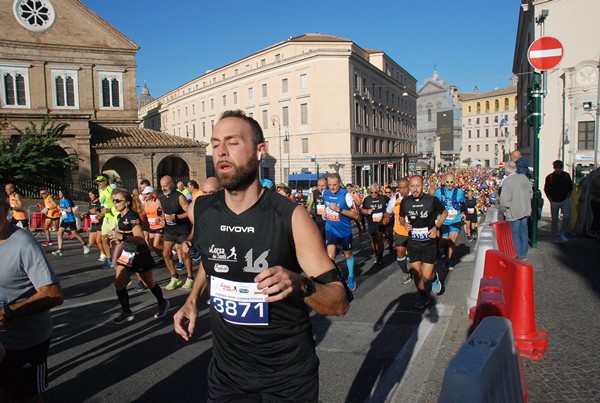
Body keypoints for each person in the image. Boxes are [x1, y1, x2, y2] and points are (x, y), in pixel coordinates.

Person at [173, 110, 349, 402]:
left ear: (260, 151)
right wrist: (192, 300)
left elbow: (339, 303)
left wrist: (300, 284)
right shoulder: (202, 210)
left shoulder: (291, 217)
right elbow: (211, 261)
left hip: (288, 378)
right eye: (215, 143)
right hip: (227, 377)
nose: (221, 151)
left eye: (232, 142)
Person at [0, 187, 64, 402]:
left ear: (5, 208)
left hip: (23, 341)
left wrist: (9, 311)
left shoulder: (24, 245)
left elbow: (53, 294)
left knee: (26, 395)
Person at [107, 188, 169, 324]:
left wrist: (122, 237)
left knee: (149, 282)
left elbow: (140, 239)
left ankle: (162, 302)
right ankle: (126, 312)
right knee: (118, 283)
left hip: (140, 254)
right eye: (113, 201)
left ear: (127, 202)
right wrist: (116, 236)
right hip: (127, 254)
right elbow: (123, 234)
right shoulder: (120, 216)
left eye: (118, 201)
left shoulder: (132, 217)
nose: (115, 203)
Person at [398, 176, 448, 309]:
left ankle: (434, 278)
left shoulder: (431, 200)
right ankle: (422, 295)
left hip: (429, 243)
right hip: (413, 242)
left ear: (423, 186)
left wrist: (436, 227)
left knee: (426, 275)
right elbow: (401, 217)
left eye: (418, 186)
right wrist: (405, 224)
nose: (415, 189)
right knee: (416, 272)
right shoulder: (406, 201)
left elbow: (444, 213)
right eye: (412, 186)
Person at [323, 173, 360, 290]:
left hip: (344, 231)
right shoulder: (325, 193)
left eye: (335, 185)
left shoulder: (346, 195)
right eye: (330, 185)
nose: (332, 188)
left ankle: (351, 276)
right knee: (330, 256)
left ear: (339, 183)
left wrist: (339, 209)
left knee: (347, 254)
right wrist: (325, 213)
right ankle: (335, 278)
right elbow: (326, 207)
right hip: (330, 229)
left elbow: (356, 215)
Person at [158, 176, 194, 290]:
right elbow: (163, 212)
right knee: (166, 254)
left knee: (185, 254)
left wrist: (176, 217)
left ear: (172, 185)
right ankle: (175, 277)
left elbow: (189, 212)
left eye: (166, 186)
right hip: (170, 230)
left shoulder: (179, 197)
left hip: (182, 230)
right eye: (162, 186)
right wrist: (162, 219)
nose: (163, 188)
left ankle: (190, 277)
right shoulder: (161, 198)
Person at [499, 161, 533, 260]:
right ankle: (524, 252)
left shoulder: (507, 181)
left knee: (515, 233)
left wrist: (503, 209)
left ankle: (518, 255)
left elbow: (504, 199)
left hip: (513, 210)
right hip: (525, 208)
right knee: (524, 231)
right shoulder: (524, 178)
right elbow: (530, 193)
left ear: (506, 171)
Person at [434, 173, 466, 270]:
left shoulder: (459, 192)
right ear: (444, 182)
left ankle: (448, 261)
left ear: (454, 181)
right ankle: (441, 252)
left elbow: (463, 203)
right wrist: (436, 217)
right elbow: (434, 204)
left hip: (455, 219)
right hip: (443, 220)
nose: (449, 184)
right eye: (447, 182)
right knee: (444, 241)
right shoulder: (439, 192)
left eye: (451, 182)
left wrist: (464, 212)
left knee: (452, 240)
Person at [384, 178, 412, 284]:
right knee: (400, 252)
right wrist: (385, 219)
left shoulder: (414, 196)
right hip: (400, 231)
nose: (403, 190)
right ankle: (406, 273)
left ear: (408, 186)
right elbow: (387, 213)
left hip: (413, 231)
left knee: (415, 255)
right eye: (401, 188)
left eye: (405, 187)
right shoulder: (394, 199)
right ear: (398, 188)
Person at [51, 188, 90, 257]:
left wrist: (61, 209)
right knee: (59, 233)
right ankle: (60, 250)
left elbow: (69, 210)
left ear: (63, 193)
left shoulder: (67, 200)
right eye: (58, 193)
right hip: (64, 219)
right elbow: (63, 210)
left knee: (75, 233)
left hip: (70, 219)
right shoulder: (61, 200)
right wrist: (61, 212)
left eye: (60, 193)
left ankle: (85, 244)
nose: (59, 194)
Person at [543, 160, 573, 242]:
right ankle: (555, 236)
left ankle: (562, 233)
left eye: (559, 168)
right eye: (557, 168)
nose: (558, 169)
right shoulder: (550, 177)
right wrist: (551, 200)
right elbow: (547, 189)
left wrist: (567, 197)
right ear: (554, 168)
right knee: (554, 220)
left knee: (567, 217)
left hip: (564, 199)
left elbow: (570, 187)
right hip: (555, 201)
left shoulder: (566, 176)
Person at [360, 184, 389, 264]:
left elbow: (391, 205)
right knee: (374, 239)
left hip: (381, 221)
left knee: (380, 238)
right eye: (371, 192)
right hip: (371, 222)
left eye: (375, 192)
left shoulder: (383, 198)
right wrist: (367, 211)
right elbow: (362, 210)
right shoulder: (367, 199)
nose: (373, 194)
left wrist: (387, 216)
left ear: (378, 192)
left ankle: (380, 257)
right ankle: (376, 254)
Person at [97, 175, 118, 267]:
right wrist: (100, 214)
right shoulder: (101, 191)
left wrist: (110, 209)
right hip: (106, 218)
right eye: (97, 181)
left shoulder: (111, 190)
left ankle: (118, 258)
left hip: (114, 217)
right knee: (103, 239)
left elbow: (118, 203)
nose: (99, 183)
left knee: (115, 240)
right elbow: (103, 205)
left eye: (101, 181)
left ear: (106, 181)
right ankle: (109, 259)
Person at [82, 188, 103, 259]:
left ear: (96, 194)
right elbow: (90, 212)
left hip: (101, 223)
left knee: (98, 241)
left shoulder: (100, 202)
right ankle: (104, 250)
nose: (90, 196)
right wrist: (85, 214)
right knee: (91, 242)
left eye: (91, 194)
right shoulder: (91, 202)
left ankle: (104, 253)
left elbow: (104, 213)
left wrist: (97, 213)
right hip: (94, 223)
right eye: (89, 195)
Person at [306, 176, 327, 241]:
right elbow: (309, 208)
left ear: (327, 185)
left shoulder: (329, 193)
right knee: (320, 240)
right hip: (318, 220)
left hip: (329, 221)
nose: (321, 188)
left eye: (323, 185)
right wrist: (311, 201)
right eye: (319, 185)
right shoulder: (314, 193)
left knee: (329, 241)